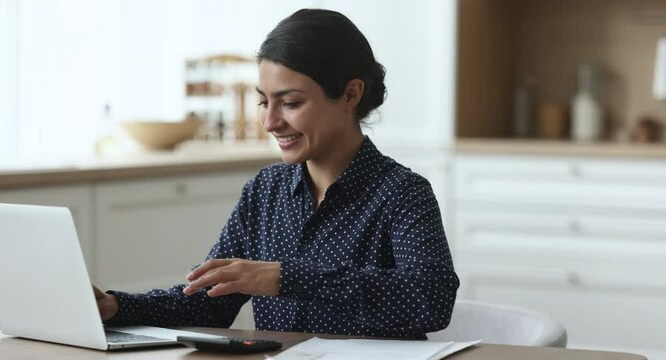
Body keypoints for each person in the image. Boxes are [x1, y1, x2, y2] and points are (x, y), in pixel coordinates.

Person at [94, 8, 459, 339]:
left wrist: (286, 277)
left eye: (290, 102)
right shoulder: (264, 191)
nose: (270, 122)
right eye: (264, 101)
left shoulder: (402, 193)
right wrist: (114, 306)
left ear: (350, 94)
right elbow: (210, 301)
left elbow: (431, 297)